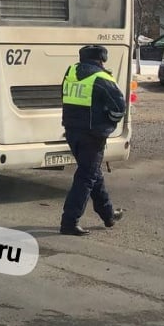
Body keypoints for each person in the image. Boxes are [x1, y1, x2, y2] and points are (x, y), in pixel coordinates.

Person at [60, 44, 126, 235]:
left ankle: (108, 215)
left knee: (92, 173)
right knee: (85, 178)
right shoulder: (102, 78)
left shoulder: (70, 71)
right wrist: (107, 123)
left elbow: (63, 97)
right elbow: (119, 108)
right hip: (93, 135)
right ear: (101, 60)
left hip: (72, 131)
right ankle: (69, 222)